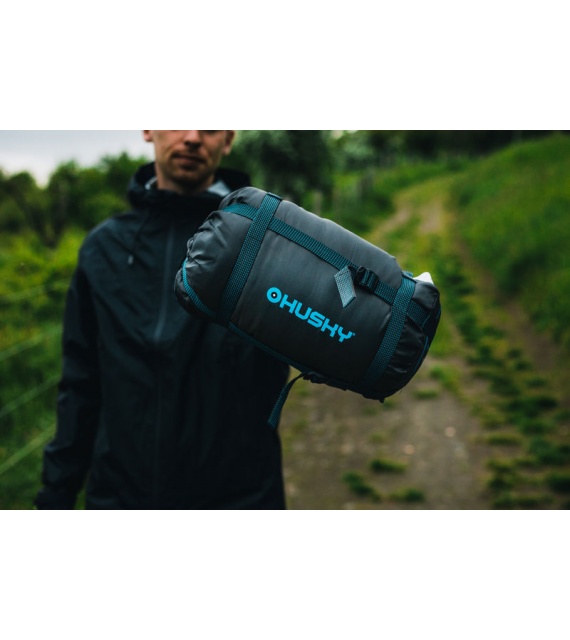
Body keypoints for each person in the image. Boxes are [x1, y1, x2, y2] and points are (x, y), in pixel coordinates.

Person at [35, 130, 289, 509]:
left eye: (210, 126)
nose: (192, 137)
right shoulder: (103, 249)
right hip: (120, 500)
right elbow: (80, 383)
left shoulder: (267, 242)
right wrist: (56, 493)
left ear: (228, 139)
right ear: (148, 128)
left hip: (238, 499)